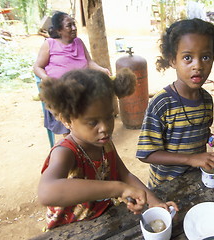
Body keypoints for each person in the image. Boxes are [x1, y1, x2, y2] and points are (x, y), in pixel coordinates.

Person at [37, 69, 178, 230]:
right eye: (92, 122)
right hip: (72, 228)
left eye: (109, 117)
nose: (105, 128)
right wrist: (117, 188)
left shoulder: (104, 143)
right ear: (67, 120)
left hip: (103, 217)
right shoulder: (66, 153)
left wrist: (154, 201)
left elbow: (124, 174)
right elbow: (46, 192)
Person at [136, 18, 214, 189]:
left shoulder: (206, 99)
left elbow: (200, 132)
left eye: (205, 57)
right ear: (173, 60)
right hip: (165, 187)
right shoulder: (162, 104)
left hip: (194, 180)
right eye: (188, 57)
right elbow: (146, 154)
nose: (197, 65)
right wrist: (190, 159)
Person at [33, 11, 110, 140]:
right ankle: (73, 140)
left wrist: (101, 69)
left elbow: (89, 62)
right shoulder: (49, 44)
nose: (74, 28)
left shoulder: (78, 42)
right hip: (61, 93)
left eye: (74, 24)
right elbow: (37, 67)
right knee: (69, 112)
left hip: (82, 90)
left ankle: (89, 134)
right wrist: (48, 79)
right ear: (59, 30)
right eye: (69, 26)